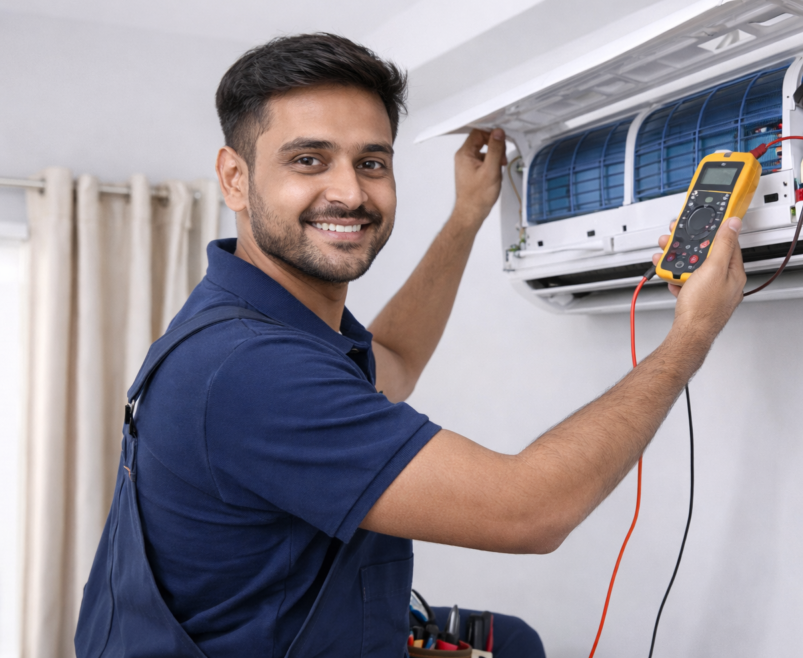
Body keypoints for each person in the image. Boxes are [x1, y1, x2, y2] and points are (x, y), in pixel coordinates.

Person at [75, 33, 747, 658]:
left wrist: (464, 218)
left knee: (512, 641)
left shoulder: (244, 314)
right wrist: (690, 335)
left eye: (372, 163)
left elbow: (390, 360)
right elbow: (530, 511)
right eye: (309, 160)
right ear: (234, 178)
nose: (349, 191)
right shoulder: (251, 369)